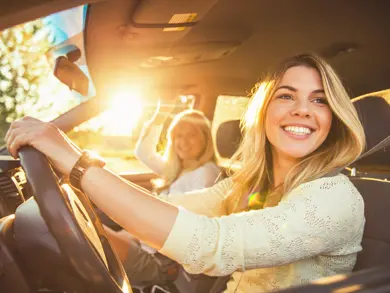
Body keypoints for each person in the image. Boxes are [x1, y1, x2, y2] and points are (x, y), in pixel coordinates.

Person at [6, 53, 366, 293]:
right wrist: (84, 192)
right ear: (263, 112)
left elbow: (211, 245)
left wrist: (76, 161)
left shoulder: (334, 198)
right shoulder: (253, 183)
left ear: (333, 118)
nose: (303, 110)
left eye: (319, 100)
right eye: (287, 96)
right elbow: (178, 206)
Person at [134, 107, 221, 195]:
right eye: (179, 135)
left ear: (205, 139)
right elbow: (143, 152)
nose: (184, 142)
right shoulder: (176, 168)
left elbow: (195, 208)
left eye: (191, 135)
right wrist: (161, 113)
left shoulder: (206, 173)